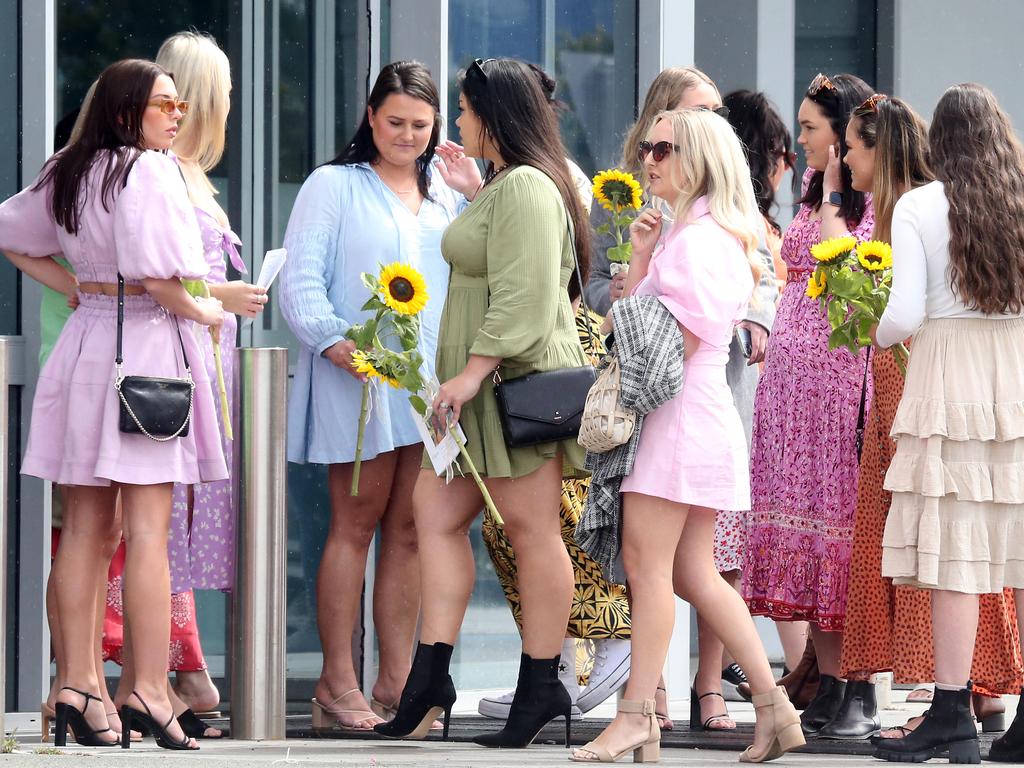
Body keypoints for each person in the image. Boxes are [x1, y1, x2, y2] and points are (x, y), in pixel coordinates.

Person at [0, 58, 226, 750]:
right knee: (148, 531)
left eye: (180, 105)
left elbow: (11, 233)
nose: (176, 115)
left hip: (85, 345)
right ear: (127, 110)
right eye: (165, 104)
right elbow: (162, 280)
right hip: (146, 347)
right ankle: (151, 693)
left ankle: (75, 685)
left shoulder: (72, 167)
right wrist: (211, 312)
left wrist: (73, 288)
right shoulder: (148, 170)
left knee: (88, 532)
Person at [571, 107, 803, 764]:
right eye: (647, 146)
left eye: (665, 148)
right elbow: (652, 328)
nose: (650, 158)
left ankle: (637, 714)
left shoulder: (701, 241)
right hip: (687, 417)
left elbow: (670, 340)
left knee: (653, 571)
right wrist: (643, 262)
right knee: (693, 575)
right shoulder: (695, 235)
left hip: (679, 420)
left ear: (698, 157)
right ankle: (773, 706)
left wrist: (629, 309)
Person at [374, 56, 590, 749]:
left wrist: (469, 375)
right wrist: (474, 193)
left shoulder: (527, 187)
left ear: (492, 113)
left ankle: (539, 683)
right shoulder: (507, 185)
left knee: (532, 533)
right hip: (484, 387)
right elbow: (495, 263)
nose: (458, 121)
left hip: (507, 385)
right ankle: (431, 676)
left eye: (465, 109)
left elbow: (526, 298)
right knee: (433, 515)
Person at [280, 60, 472, 733]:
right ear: (370, 117)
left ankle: (396, 681)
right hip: (355, 379)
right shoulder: (333, 186)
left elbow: (479, 272)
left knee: (414, 532)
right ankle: (337, 682)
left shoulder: (449, 195)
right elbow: (299, 283)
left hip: (430, 387)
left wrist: (476, 191)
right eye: (396, 122)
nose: (408, 135)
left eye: (422, 125)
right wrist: (337, 345)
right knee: (354, 525)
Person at [838, 93, 1021, 741]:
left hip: (948, 376)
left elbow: (905, 316)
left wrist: (870, 326)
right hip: (1016, 378)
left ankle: (948, 713)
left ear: (938, 141)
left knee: (954, 552)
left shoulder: (921, 205)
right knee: (1017, 550)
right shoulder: (1019, 201)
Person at [472, 61, 634, 726]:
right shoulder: (511, 178)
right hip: (540, 353)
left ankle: (609, 634)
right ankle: (557, 664)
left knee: (553, 519)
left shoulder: (547, 180)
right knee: (515, 525)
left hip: (551, 357)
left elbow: (542, 283)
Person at [741, 72, 875, 738]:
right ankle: (823, 680)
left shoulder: (866, 202)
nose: (804, 141)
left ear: (847, 134)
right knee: (799, 528)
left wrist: (835, 196)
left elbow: (845, 272)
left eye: (814, 129)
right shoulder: (809, 193)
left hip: (839, 389)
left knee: (837, 529)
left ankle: (854, 684)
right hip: (792, 392)